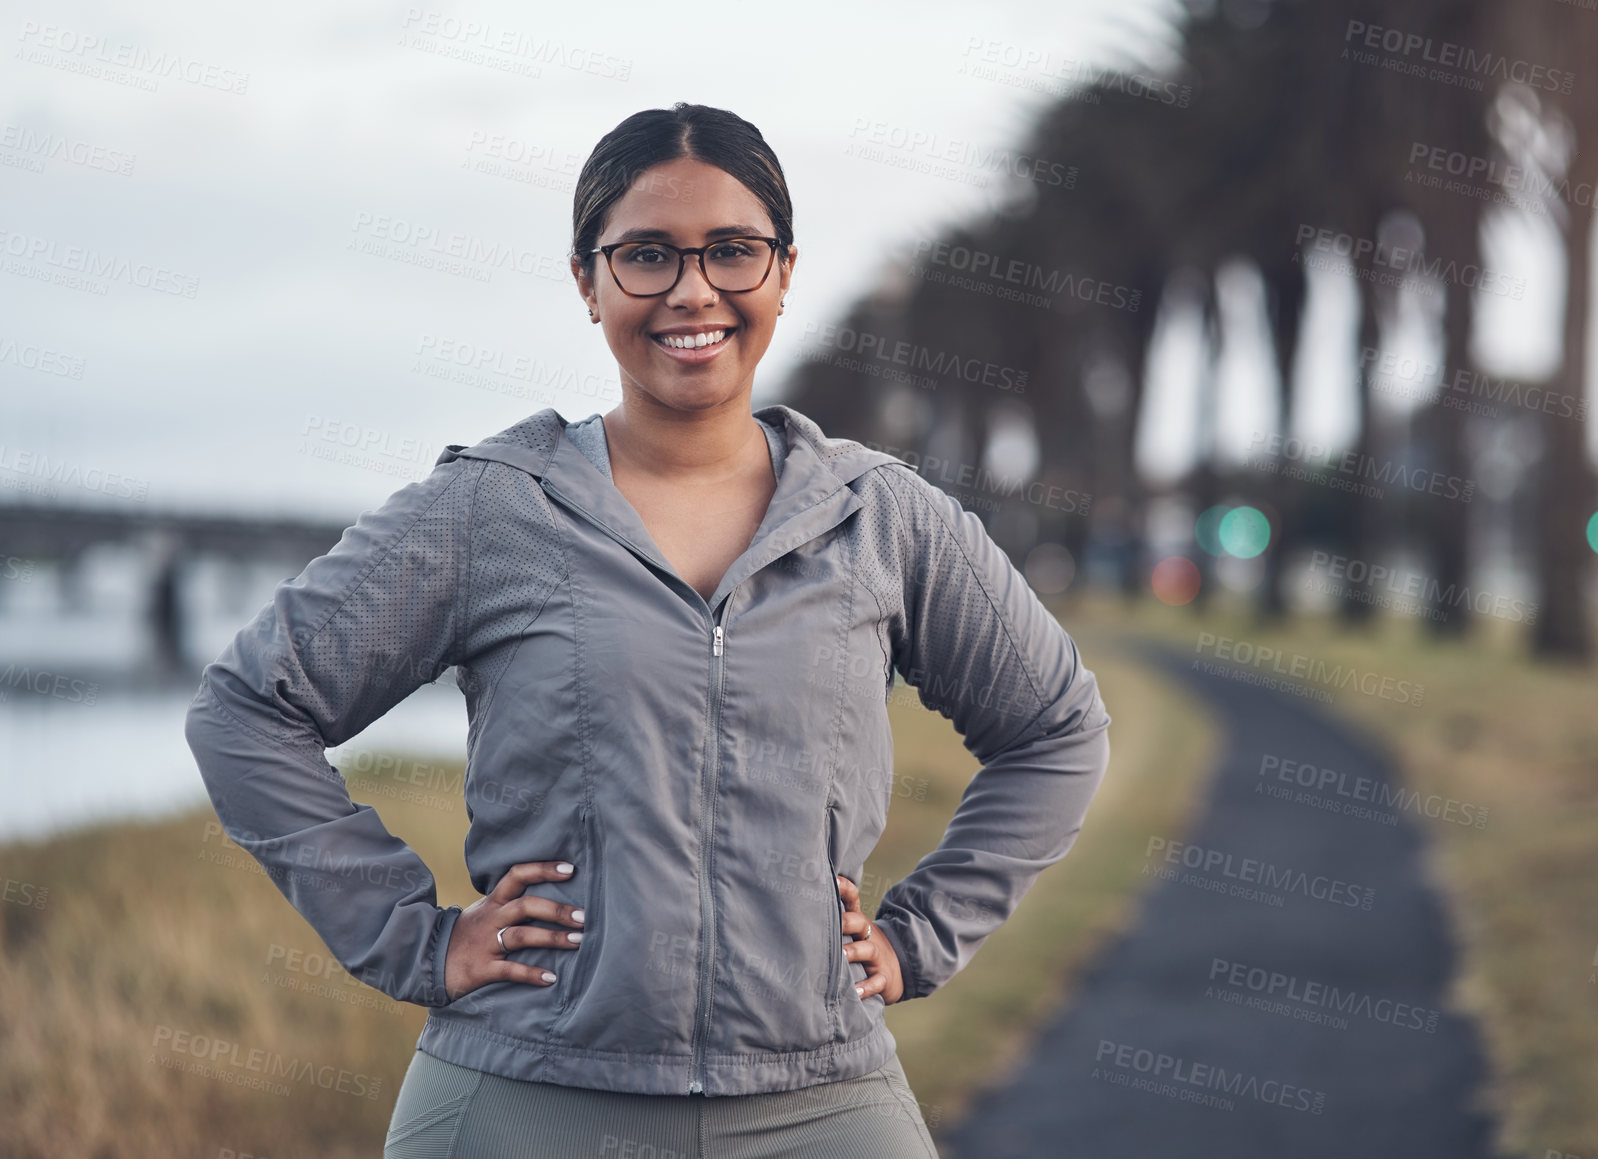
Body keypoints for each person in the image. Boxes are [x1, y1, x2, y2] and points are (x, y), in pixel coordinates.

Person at [183, 101, 1111, 1158]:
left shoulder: (883, 518)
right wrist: (409, 938)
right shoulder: (491, 510)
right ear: (587, 282)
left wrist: (919, 935)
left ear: (784, 270)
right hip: (525, 1093)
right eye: (645, 256)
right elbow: (248, 709)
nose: (691, 289)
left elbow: (1055, 728)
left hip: (817, 1097)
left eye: (731, 251)